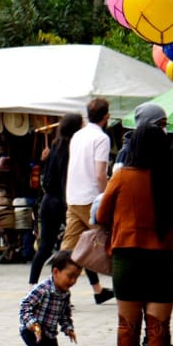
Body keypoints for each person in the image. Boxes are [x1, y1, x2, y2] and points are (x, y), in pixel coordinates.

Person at [97, 123, 173, 346]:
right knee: (159, 328)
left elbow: (102, 215)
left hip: (128, 258)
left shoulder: (122, 177)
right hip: (164, 259)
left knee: (127, 326)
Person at [64, 98, 117, 305]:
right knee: (109, 241)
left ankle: (59, 291)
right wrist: (106, 197)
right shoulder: (101, 139)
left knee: (69, 248)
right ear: (106, 117)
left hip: (73, 196)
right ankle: (124, 287)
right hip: (90, 198)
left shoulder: (77, 135)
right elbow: (100, 174)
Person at [19, 250, 81, 346]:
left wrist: (68, 328)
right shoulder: (42, 289)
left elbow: (64, 314)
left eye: (76, 277)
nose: (73, 281)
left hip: (49, 332)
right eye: (70, 276)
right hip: (31, 329)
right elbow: (25, 305)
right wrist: (33, 324)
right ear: (55, 272)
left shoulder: (65, 293)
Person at [29, 113, 81, 284]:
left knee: (45, 247)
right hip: (62, 201)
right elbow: (65, 179)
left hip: (48, 201)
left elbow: (46, 176)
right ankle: (96, 289)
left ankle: (32, 284)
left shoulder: (54, 147)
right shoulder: (69, 150)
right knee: (77, 243)